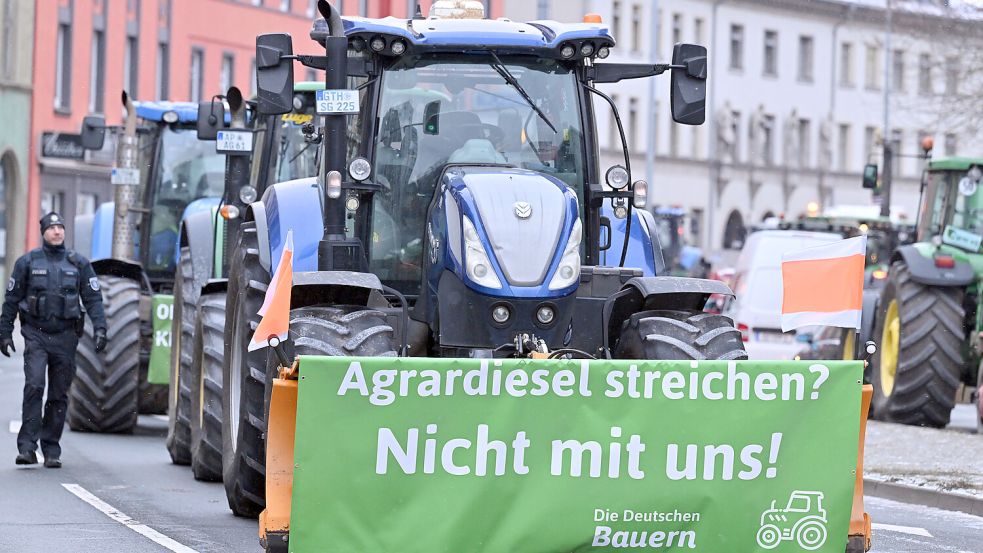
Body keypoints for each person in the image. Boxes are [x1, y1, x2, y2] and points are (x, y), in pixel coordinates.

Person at [0, 212, 108, 468]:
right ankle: (27, 448)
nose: (57, 232)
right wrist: (4, 332)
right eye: (52, 228)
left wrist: (101, 328)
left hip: (66, 337)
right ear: (44, 232)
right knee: (35, 386)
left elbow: (93, 300)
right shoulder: (27, 262)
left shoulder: (79, 264)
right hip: (36, 334)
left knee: (58, 395)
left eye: (60, 227)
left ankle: (51, 449)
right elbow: (12, 299)